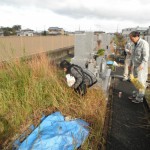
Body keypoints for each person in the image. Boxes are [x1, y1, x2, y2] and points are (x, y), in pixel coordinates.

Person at [128, 31, 149, 103]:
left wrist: (142, 65)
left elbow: (146, 56)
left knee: (141, 82)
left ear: (136, 36)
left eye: (131, 38)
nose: (131, 39)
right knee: (136, 81)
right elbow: (132, 56)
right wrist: (130, 65)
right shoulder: (134, 44)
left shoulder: (144, 44)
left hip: (141, 67)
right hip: (135, 65)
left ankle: (140, 98)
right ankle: (137, 94)